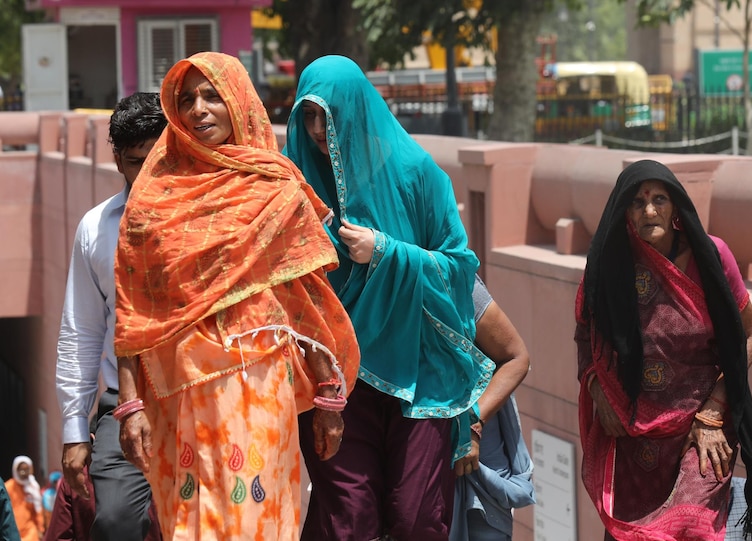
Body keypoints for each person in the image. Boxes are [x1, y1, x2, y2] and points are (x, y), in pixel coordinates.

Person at [114, 51, 359, 541]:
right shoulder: (151, 199)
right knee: (191, 524)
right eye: (186, 100)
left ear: (240, 102)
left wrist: (329, 393)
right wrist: (129, 406)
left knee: (259, 518)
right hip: (177, 389)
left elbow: (304, 298)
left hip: (259, 379)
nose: (199, 110)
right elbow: (133, 312)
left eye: (212, 96)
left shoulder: (277, 185)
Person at [284, 54, 492, 540]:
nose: (318, 128)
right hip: (334, 381)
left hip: (419, 375)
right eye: (308, 115)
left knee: (417, 518)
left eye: (327, 113)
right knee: (348, 522)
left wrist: (384, 251)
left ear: (355, 107)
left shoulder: (416, 173)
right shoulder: (296, 191)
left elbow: (459, 269)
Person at [575, 159, 752, 540]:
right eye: (637, 202)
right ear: (624, 212)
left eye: (659, 200)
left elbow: (749, 335)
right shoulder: (610, 265)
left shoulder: (711, 257)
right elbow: (586, 333)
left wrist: (714, 412)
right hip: (634, 435)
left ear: (675, 208)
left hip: (702, 428)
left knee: (691, 528)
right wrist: (597, 390)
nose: (649, 210)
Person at [55, 92, 166, 541]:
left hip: (201, 398)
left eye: (162, 158)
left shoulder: (211, 220)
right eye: (140, 162)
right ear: (119, 160)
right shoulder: (96, 228)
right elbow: (80, 333)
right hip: (123, 406)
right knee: (116, 522)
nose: (154, 174)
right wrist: (74, 431)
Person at [450, 275, 535, 541]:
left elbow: (516, 358)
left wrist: (472, 426)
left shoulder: (455, 276)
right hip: (421, 450)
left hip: (480, 458)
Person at [5, 456, 44, 541]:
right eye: (21, 470)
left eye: (26, 469)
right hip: (13, 530)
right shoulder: (9, 487)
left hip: (30, 531)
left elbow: (38, 510)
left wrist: (40, 528)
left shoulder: (33, 487)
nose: (23, 472)